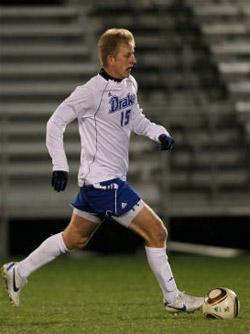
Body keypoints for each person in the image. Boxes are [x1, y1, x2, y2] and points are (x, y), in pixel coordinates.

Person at [1, 28, 204, 312]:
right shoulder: (90, 92)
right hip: (102, 182)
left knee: (74, 238)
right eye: (127, 54)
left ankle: (18, 272)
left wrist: (159, 133)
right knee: (157, 232)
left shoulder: (129, 84)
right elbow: (55, 123)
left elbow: (136, 118)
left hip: (102, 182)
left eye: (133, 52)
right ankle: (174, 299)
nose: (133, 58)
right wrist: (60, 164)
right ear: (110, 58)